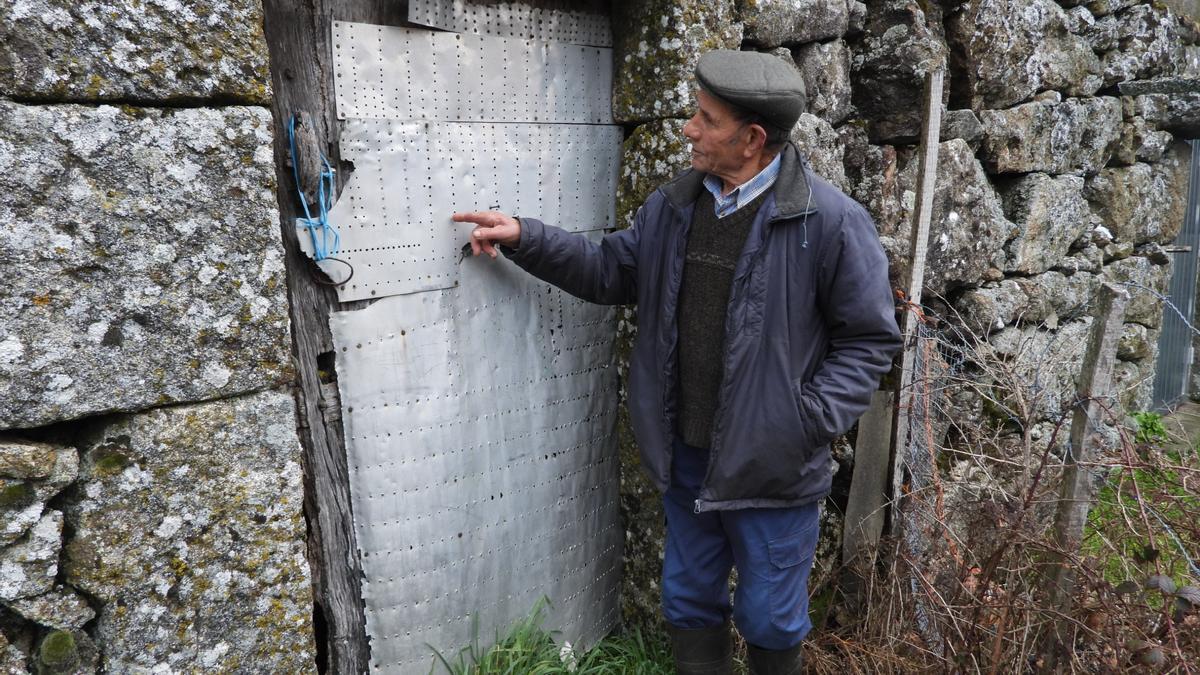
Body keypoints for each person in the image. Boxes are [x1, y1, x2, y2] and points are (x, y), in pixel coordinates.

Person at [453, 50, 900, 675]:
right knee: (689, 601)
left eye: (704, 118)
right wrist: (527, 236)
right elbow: (613, 269)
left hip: (772, 467)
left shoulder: (829, 224)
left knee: (772, 615)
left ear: (751, 139)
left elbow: (870, 341)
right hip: (687, 457)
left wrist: (804, 422)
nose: (688, 128)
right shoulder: (674, 207)